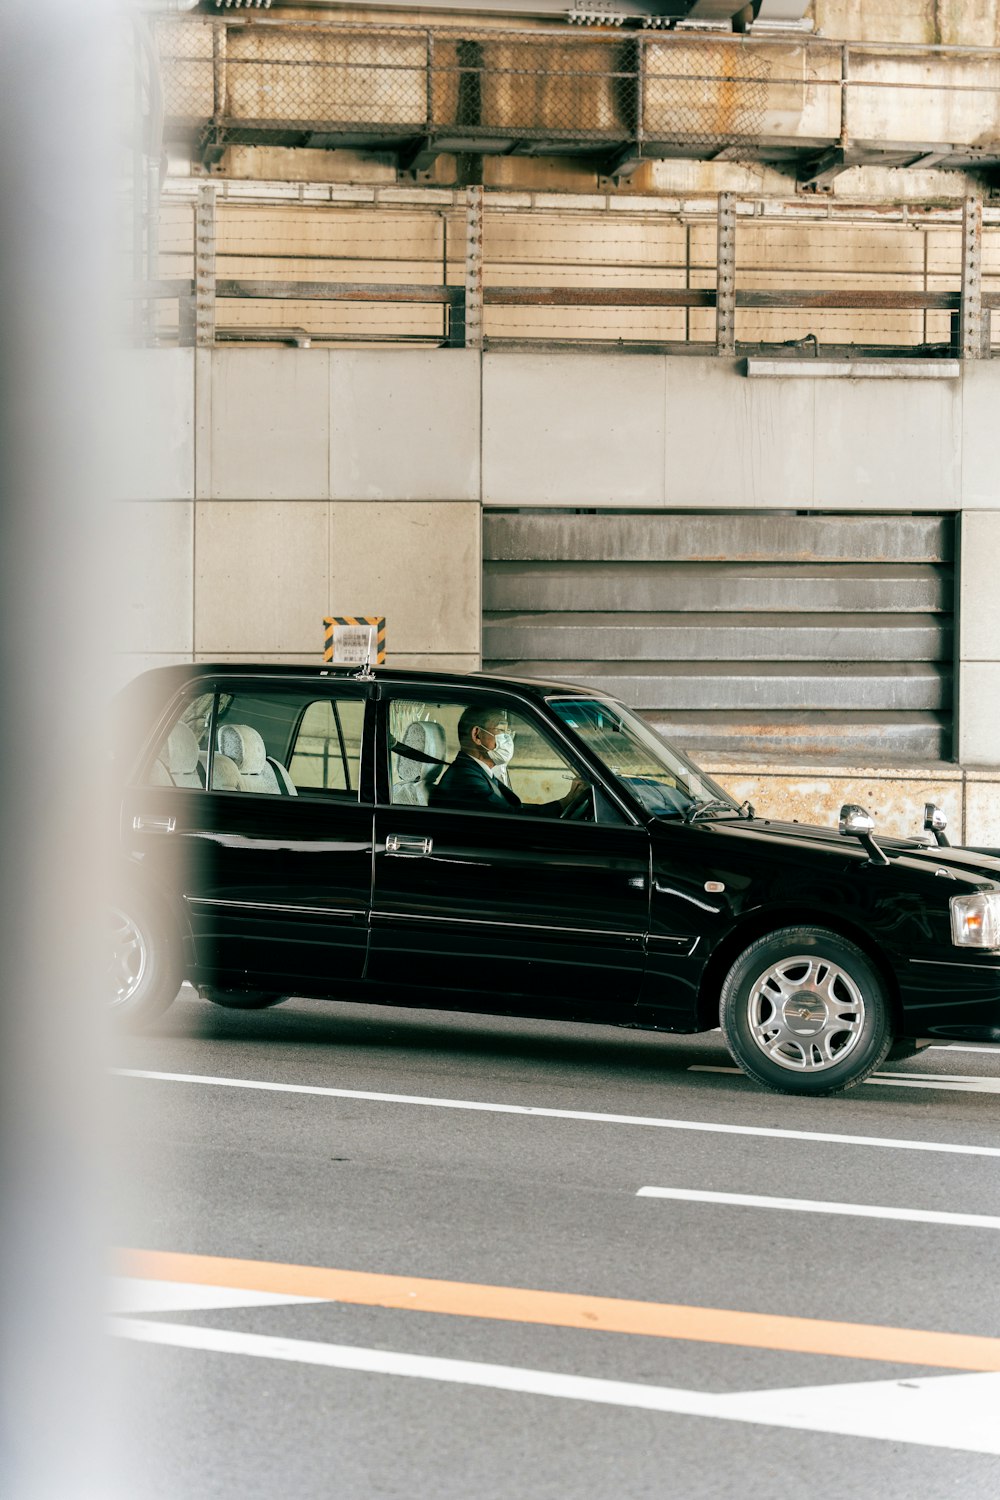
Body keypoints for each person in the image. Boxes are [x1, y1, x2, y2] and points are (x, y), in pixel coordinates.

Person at [430, 705, 586, 815]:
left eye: (508, 733)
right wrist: (564, 803)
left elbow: (514, 807)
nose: (508, 739)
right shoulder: (465, 779)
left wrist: (564, 802)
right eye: (501, 731)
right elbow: (511, 817)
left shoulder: (478, 772)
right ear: (477, 735)